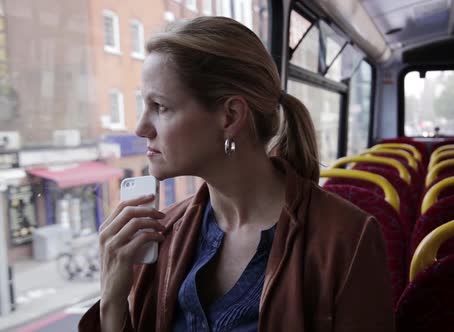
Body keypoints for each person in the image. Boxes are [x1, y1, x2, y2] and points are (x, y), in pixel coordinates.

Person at [79, 16, 394, 332]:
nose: (140, 128)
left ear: (230, 116)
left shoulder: (347, 239)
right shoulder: (162, 233)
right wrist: (113, 298)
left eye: (160, 107)